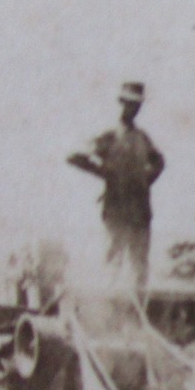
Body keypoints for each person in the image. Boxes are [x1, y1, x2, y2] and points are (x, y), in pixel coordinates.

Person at [66, 81, 165, 292]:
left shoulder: (142, 138)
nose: (132, 109)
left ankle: (136, 313)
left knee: (139, 266)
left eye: (136, 105)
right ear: (120, 102)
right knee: (113, 261)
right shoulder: (110, 135)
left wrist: (145, 180)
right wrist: (105, 173)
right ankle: (109, 312)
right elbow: (75, 156)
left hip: (140, 210)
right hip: (116, 208)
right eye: (128, 103)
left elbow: (159, 162)